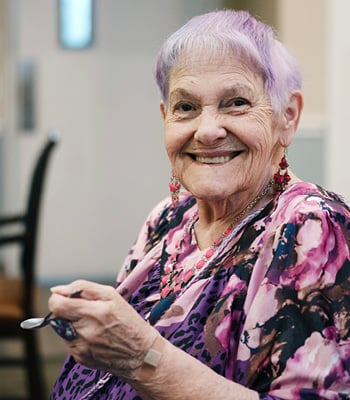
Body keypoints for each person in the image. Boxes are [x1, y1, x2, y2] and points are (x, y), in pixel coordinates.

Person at [48, 9, 350, 400]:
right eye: (186, 107)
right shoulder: (168, 218)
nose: (207, 131)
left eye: (237, 102)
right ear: (165, 118)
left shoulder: (311, 227)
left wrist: (141, 357)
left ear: (287, 117)